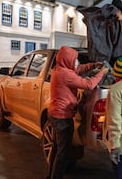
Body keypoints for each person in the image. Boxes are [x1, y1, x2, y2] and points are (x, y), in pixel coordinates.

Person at [47, 46, 109, 179]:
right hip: (62, 117)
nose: (76, 62)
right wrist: (101, 73)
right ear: (67, 59)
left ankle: (50, 176)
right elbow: (89, 85)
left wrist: (93, 65)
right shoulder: (66, 75)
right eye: (74, 59)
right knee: (63, 153)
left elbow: (78, 70)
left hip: (55, 113)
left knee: (56, 148)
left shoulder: (59, 69)